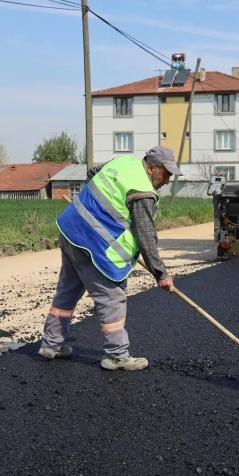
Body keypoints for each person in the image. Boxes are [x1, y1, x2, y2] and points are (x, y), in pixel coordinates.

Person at [38, 146, 179, 371]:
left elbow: (93, 173)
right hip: (93, 245)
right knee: (112, 298)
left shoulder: (123, 163)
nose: (168, 180)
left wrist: (97, 211)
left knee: (67, 290)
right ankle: (116, 355)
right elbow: (145, 236)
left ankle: (51, 344)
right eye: (166, 174)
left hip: (70, 229)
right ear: (152, 168)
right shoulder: (142, 191)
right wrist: (160, 273)